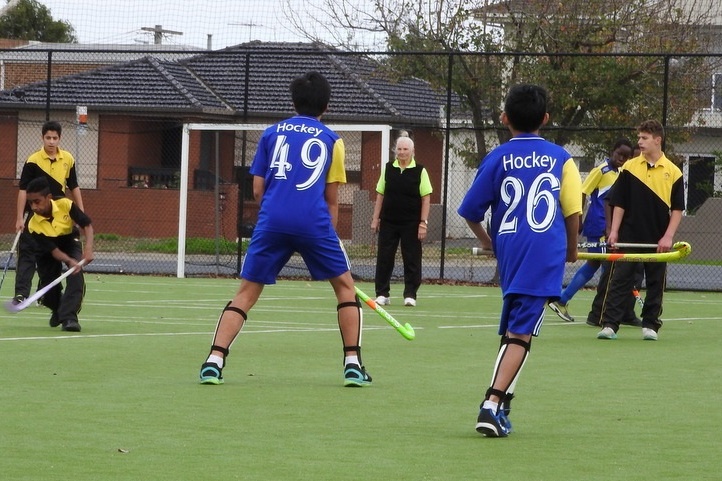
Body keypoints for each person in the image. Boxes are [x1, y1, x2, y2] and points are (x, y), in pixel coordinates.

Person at [198, 71, 372, 387]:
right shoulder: (333, 141)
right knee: (345, 289)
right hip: (313, 221)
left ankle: (214, 360)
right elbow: (331, 199)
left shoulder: (270, 134)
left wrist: (274, 215)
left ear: (293, 102)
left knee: (246, 294)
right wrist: (326, 235)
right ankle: (352, 364)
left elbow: (257, 190)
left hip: (272, 220)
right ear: (326, 105)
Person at [458, 84, 582, 437]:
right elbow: (573, 210)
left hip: (511, 251)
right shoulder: (561, 158)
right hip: (544, 253)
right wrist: (572, 249)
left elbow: (470, 212)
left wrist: (489, 243)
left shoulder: (496, 157)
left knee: (514, 329)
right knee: (521, 334)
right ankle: (492, 403)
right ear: (545, 119)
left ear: (504, 118)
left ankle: (503, 402)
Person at [596, 120, 684, 341]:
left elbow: (677, 209)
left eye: (644, 138)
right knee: (620, 279)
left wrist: (668, 236)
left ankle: (650, 325)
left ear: (657, 140)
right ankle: (610, 324)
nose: (640, 142)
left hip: (658, 238)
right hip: (629, 235)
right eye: (639, 138)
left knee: (656, 281)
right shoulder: (629, 167)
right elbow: (620, 202)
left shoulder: (673, 172)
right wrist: (614, 231)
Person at [548, 138, 634, 322]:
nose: (622, 159)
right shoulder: (601, 170)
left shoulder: (621, 173)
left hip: (607, 228)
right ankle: (602, 311)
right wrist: (578, 218)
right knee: (607, 267)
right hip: (599, 226)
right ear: (612, 151)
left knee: (594, 264)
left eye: (627, 157)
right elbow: (583, 192)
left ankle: (563, 299)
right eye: (620, 154)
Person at [14, 120, 85, 310]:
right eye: (48, 138)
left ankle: (45, 293)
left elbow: (74, 186)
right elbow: (22, 190)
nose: (51, 142)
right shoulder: (33, 160)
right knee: (27, 251)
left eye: (55, 138)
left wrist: (81, 211)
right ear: (42, 138)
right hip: (36, 214)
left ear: (59, 139)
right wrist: (20, 217)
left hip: (60, 214)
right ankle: (21, 293)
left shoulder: (68, 159)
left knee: (53, 255)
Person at [370, 134, 433, 307]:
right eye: (399, 149)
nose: (402, 152)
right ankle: (382, 293)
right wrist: (376, 218)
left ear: (412, 151)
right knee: (384, 257)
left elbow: (426, 198)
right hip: (389, 221)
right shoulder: (388, 168)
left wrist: (423, 222)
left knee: (412, 258)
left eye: (405, 149)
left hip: (411, 223)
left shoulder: (420, 171)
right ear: (395, 151)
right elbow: (380, 194)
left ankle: (410, 294)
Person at [25, 177, 94, 332]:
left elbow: (87, 225)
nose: (34, 206)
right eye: (30, 203)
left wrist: (88, 249)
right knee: (48, 289)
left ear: (48, 198)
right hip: (48, 250)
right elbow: (54, 252)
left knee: (75, 275)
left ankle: (69, 318)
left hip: (69, 240)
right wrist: (69, 261)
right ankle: (57, 308)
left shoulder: (65, 205)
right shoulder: (33, 224)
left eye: (37, 201)